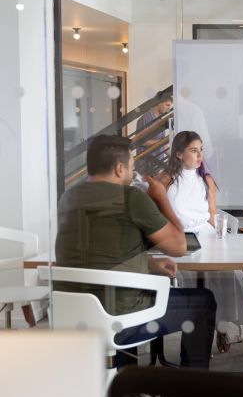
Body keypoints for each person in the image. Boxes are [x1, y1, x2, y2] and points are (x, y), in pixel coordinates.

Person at [55, 135, 216, 369]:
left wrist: (149, 263)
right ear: (120, 169)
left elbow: (99, 249)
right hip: (122, 318)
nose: (134, 173)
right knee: (203, 301)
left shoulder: (69, 197)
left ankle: (122, 383)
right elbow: (179, 246)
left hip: (73, 311)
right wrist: (161, 198)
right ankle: (195, 393)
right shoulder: (131, 198)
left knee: (123, 292)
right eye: (132, 167)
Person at [157, 131, 243, 353]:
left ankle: (220, 326)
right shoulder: (167, 178)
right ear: (179, 153)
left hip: (204, 232)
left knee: (226, 274)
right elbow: (157, 211)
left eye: (201, 149)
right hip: (179, 235)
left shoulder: (206, 179)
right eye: (194, 150)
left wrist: (222, 238)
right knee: (194, 278)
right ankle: (199, 328)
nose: (200, 154)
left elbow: (211, 213)